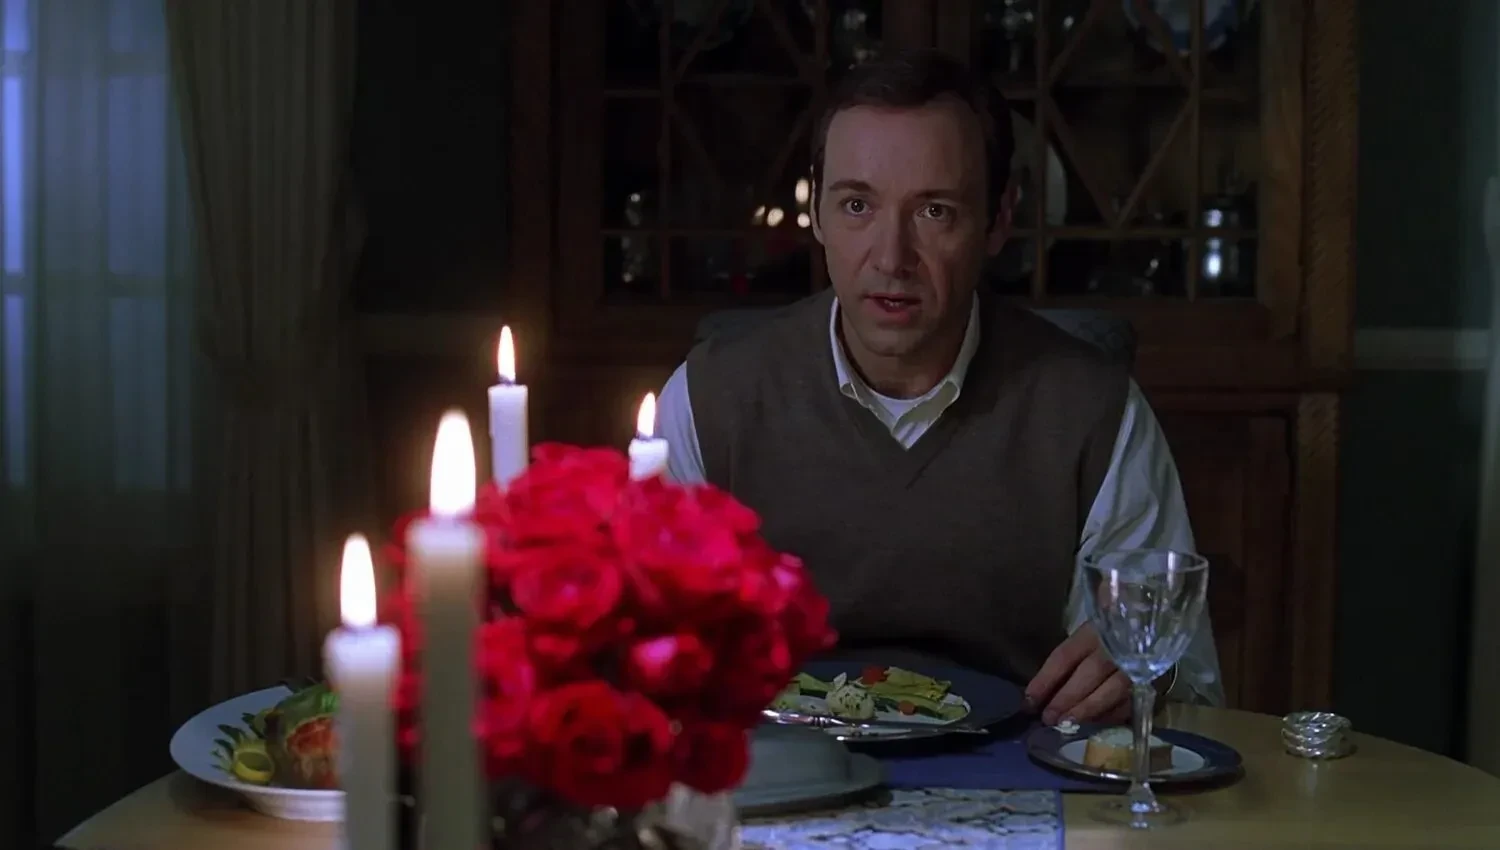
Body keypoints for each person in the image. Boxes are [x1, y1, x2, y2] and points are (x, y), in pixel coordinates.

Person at [656, 49, 1223, 723]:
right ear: (818, 214)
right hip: (783, 769)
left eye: (935, 211)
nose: (891, 257)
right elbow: (651, 658)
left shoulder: (1094, 412)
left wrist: (1138, 673)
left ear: (999, 219)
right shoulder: (709, 399)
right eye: (857, 205)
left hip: (1016, 765)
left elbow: (1189, 687)